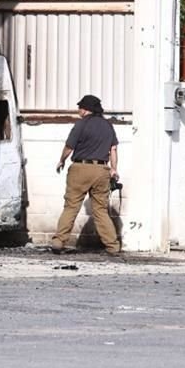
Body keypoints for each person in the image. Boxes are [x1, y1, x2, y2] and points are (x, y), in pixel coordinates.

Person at [50, 94, 121, 256]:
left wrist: (61, 160)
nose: (78, 110)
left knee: (71, 206)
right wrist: (113, 168)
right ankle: (113, 246)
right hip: (102, 170)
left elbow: (69, 146)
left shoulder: (81, 125)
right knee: (101, 210)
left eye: (80, 107)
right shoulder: (108, 126)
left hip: (80, 168)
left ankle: (59, 241)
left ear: (86, 109)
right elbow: (113, 149)